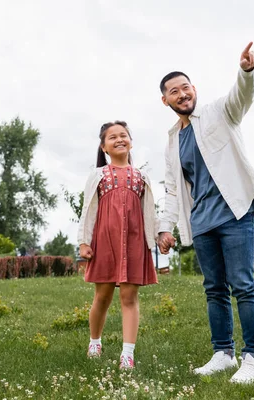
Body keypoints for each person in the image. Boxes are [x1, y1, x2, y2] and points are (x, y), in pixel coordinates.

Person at [157, 42, 254, 384]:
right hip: (202, 222)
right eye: (174, 91)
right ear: (166, 101)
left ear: (195, 90)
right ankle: (223, 353)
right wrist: (165, 227)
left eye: (186, 87)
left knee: (243, 285)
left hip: (235, 214)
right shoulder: (173, 141)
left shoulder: (220, 112)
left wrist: (247, 72)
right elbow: (173, 189)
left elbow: (242, 97)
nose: (182, 94)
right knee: (213, 289)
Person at [77, 121, 158, 369]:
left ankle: (127, 354)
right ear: (104, 147)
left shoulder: (142, 177)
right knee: (102, 296)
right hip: (104, 242)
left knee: (129, 296)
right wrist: (83, 241)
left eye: (124, 135)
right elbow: (88, 210)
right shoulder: (98, 175)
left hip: (133, 242)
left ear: (131, 142)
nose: (119, 139)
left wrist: (156, 239)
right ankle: (94, 341)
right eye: (112, 137)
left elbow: (149, 213)